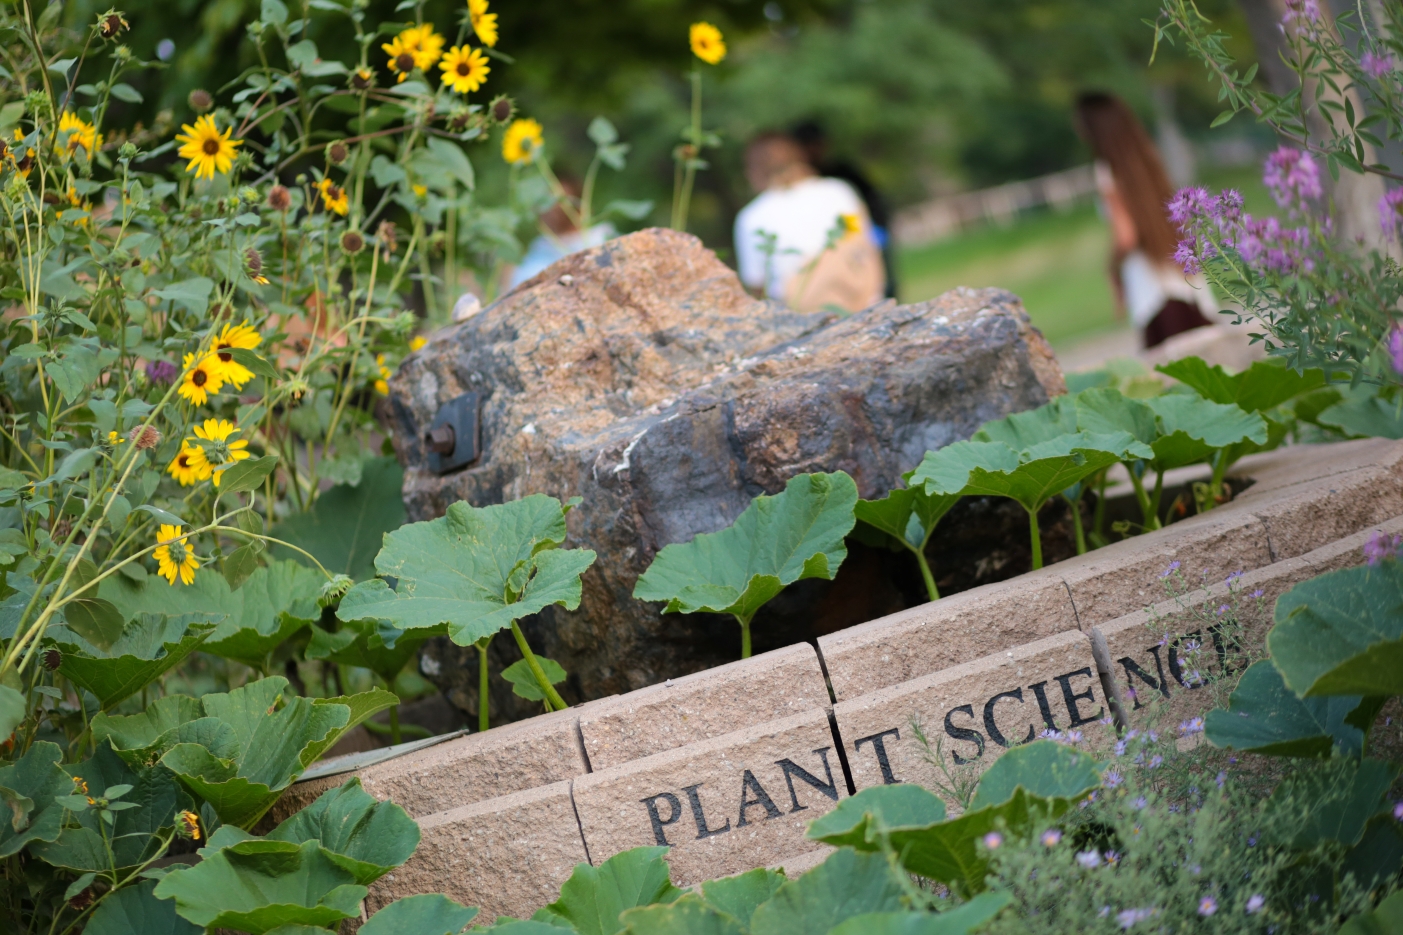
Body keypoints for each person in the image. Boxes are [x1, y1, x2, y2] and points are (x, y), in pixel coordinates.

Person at [1075, 92, 1216, 349]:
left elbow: (1126, 236)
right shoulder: (1148, 159)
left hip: (1150, 286)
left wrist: (1112, 270)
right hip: (1182, 276)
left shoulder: (1107, 171)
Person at [733, 132, 885, 313]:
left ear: (754, 171)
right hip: (864, 298)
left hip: (802, 316)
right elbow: (862, 242)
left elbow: (758, 286)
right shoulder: (838, 191)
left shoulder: (751, 218)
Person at [791, 120, 898, 298]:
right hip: (830, 248)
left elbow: (872, 201)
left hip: (862, 238)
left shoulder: (842, 171)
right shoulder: (803, 183)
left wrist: (875, 232)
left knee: (882, 288)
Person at [507, 176, 615, 289]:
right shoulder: (541, 246)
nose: (551, 208)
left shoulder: (601, 238)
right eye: (545, 201)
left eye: (558, 201)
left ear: (578, 204)